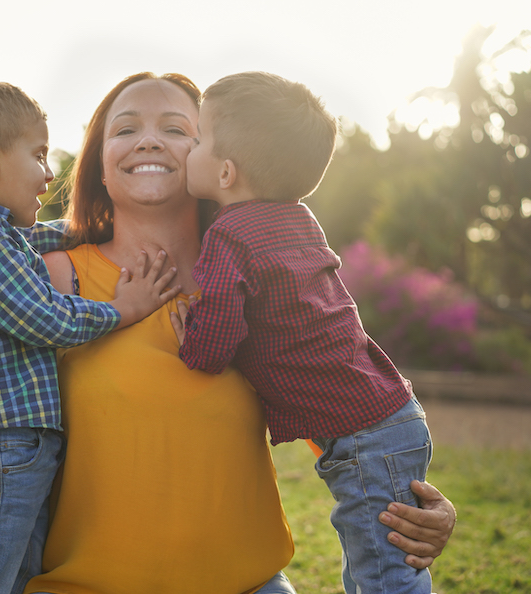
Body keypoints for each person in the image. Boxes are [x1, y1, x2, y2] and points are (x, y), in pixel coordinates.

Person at [0, 73, 457, 594]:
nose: (149, 139)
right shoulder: (48, 275)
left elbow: (343, 411)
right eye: (124, 128)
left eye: (177, 128)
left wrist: (413, 501)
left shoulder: (261, 287)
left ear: (222, 162)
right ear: (100, 164)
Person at [0, 78, 181, 594]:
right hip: (6, 447)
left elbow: (31, 239)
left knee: (14, 581)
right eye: (37, 156)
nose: (48, 173)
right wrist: (123, 308)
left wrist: (94, 227)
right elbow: (46, 319)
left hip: (3, 448)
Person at [170, 71, 435, 593]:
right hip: (390, 416)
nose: (187, 150)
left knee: (384, 575)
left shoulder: (230, 234)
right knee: (379, 566)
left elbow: (215, 340)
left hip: (362, 435)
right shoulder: (299, 217)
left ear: (225, 173)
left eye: (196, 139)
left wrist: (190, 335)